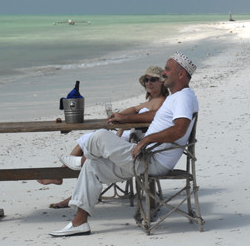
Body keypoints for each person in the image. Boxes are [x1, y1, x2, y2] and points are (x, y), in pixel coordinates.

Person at [50, 52, 199, 237]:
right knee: (92, 166)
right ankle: (79, 223)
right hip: (143, 158)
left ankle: (79, 160)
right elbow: (154, 116)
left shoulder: (183, 97)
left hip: (151, 161)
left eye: (168, 69)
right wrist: (126, 118)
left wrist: (146, 139)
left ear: (181, 74)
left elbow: (179, 130)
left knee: (99, 136)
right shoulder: (175, 98)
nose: (164, 73)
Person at [40, 66, 169, 208]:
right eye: (146, 80)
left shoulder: (162, 101)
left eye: (153, 80)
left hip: (138, 142)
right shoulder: (151, 101)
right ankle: (66, 178)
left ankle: (66, 179)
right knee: (89, 139)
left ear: (162, 82)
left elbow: (154, 118)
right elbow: (132, 110)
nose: (148, 83)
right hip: (131, 136)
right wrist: (122, 117)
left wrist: (124, 121)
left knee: (91, 145)